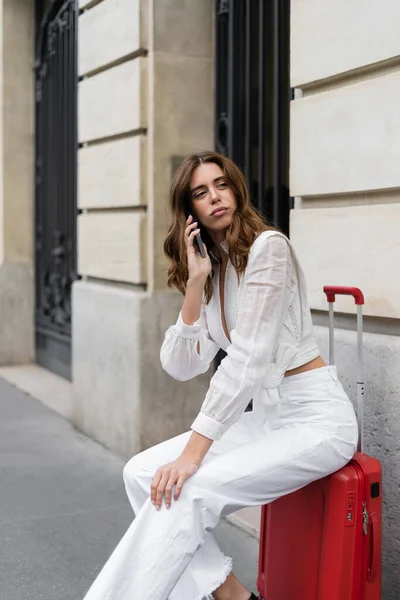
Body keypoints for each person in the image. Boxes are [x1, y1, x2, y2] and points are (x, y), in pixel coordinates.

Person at [82, 151, 358, 600]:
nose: (214, 198)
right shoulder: (214, 268)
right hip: (268, 419)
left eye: (221, 185)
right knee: (141, 472)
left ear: (235, 188)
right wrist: (195, 283)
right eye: (200, 192)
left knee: (192, 488)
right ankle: (229, 592)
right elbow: (180, 364)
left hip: (315, 418)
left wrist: (194, 452)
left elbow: (247, 360)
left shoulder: (269, 249)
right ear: (189, 210)